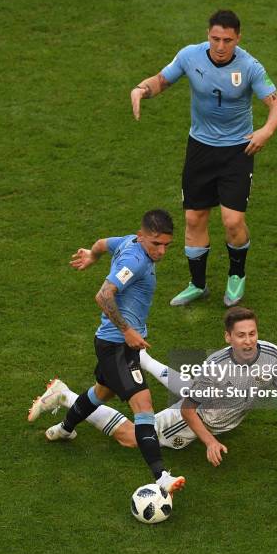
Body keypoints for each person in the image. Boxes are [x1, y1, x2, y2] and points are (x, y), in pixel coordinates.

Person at [29, 307, 277, 481]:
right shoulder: (217, 365)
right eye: (240, 335)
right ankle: (65, 394)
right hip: (196, 417)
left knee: (194, 385)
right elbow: (187, 409)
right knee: (132, 438)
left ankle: (141, 360)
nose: (248, 341)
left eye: (252, 333)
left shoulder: (276, 357)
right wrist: (209, 441)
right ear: (228, 337)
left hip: (217, 401)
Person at [131, 10, 277, 307]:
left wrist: (266, 131)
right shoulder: (190, 56)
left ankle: (236, 276)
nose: (220, 45)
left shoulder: (251, 67)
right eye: (215, 38)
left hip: (238, 150)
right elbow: (162, 80)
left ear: (238, 38)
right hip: (200, 148)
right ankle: (197, 284)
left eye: (227, 40)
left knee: (232, 220)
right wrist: (141, 90)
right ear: (208, 35)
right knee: (193, 217)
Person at [29, 209, 185, 494]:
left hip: (115, 344)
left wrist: (92, 253)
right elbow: (103, 295)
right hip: (117, 346)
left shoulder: (128, 242)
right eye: (156, 244)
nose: (161, 251)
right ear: (142, 237)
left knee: (102, 392)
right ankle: (161, 476)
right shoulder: (134, 260)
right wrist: (127, 330)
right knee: (144, 405)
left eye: (166, 245)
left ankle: (64, 429)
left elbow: (102, 242)